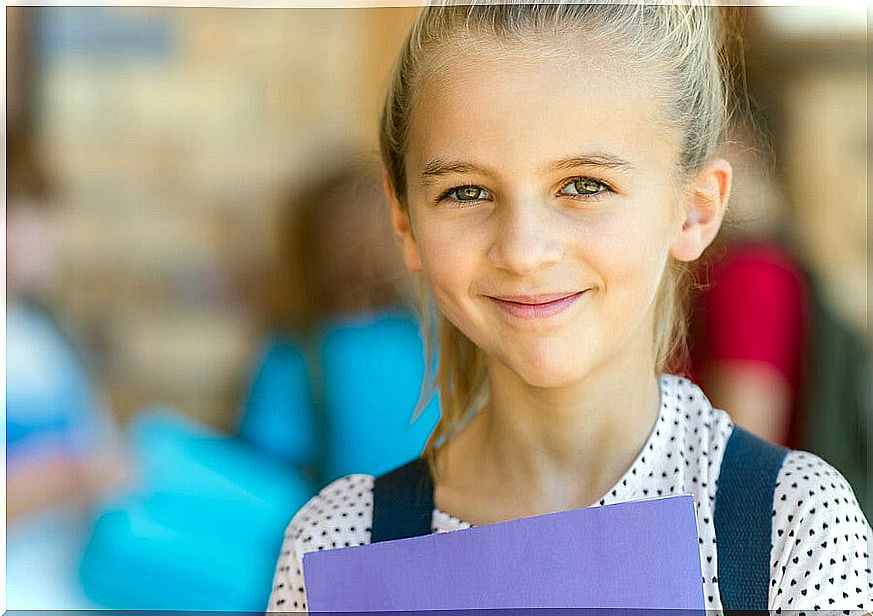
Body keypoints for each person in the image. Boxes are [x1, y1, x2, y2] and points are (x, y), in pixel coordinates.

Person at [267, 3, 871, 610]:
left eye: (585, 185)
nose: (524, 251)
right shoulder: (337, 544)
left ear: (695, 209)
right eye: (466, 192)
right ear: (404, 220)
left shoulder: (788, 525)